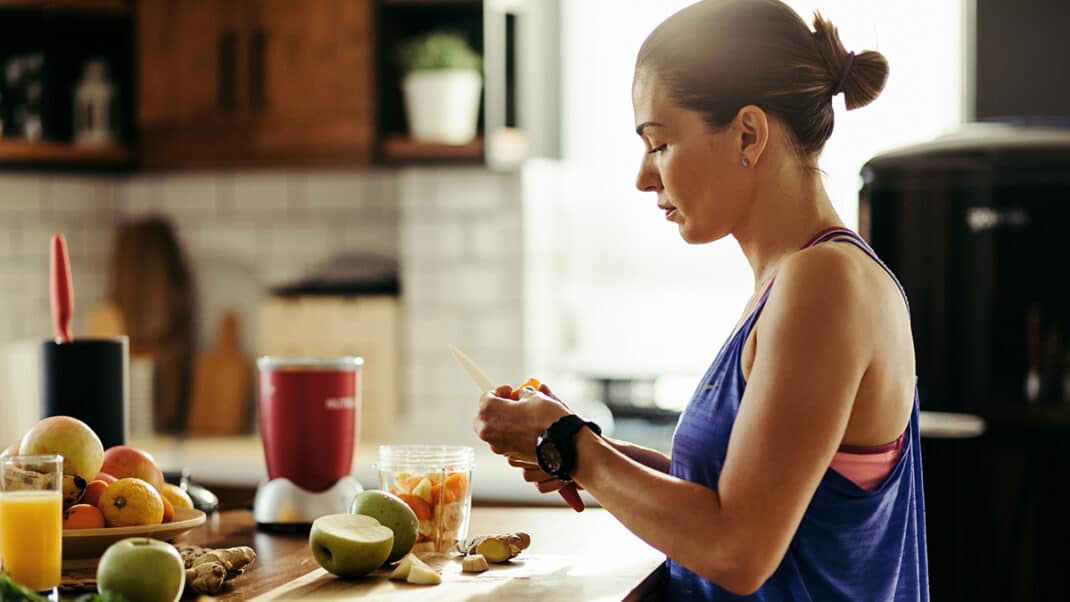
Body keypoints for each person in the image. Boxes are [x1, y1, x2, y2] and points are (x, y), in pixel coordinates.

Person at [473, 0, 928, 599]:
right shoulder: (795, 280)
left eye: (659, 144)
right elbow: (733, 495)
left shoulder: (825, 285)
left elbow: (738, 549)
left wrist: (572, 448)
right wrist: (579, 441)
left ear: (747, 133)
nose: (643, 176)